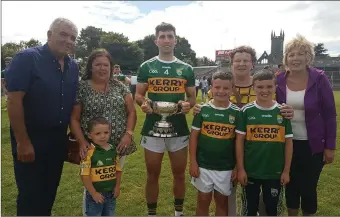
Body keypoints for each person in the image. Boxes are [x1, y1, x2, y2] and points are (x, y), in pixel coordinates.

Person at [193, 45, 294, 216]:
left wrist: (288, 111)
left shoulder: (262, 83)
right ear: (231, 64)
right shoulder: (223, 83)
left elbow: (278, 108)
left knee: (263, 201)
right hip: (226, 150)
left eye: (246, 60)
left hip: (257, 151)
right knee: (227, 197)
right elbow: (212, 108)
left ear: (252, 64)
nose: (241, 64)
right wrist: (198, 108)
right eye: (237, 61)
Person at [4, 17, 79, 216]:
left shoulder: (73, 66)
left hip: (57, 139)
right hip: (31, 137)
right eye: (63, 34)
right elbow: (14, 100)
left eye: (73, 37)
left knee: (49, 190)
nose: (69, 40)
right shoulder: (28, 58)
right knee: (30, 194)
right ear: (49, 35)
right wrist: (23, 141)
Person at [135, 22, 196, 216]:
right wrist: (143, 104)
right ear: (156, 41)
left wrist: (188, 105)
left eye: (170, 36)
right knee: (152, 174)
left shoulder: (186, 68)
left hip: (178, 128)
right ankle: (151, 214)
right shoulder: (147, 66)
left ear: (175, 40)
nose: (166, 40)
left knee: (179, 174)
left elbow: (192, 98)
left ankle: (178, 214)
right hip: (153, 127)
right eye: (162, 36)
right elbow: (138, 95)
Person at [276, 35, 337, 216]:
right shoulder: (278, 80)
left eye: (300, 54)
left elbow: (330, 115)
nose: (295, 58)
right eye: (291, 54)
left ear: (308, 57)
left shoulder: (319, 79)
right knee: (290, 184)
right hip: (286, 142)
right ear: (286, 58)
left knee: (309, 186)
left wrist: (330, 147)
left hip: (313, 144)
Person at [236, 69, 293, 216]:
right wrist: (241, 169)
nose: (265, 90)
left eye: (269, 86)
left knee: (272, 210)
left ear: (275, 87)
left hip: (275, 172)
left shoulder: (283, 112)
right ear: (253, 88)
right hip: (251, 171)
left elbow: (288, 143)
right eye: (260, 87)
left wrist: (286, 171)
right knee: (249, 209)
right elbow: (240, 142)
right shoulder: (246, 111)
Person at [70, 48, 136, 170]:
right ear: (90, 67)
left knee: (114, 181)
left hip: (118, 146)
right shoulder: (82, 88)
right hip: (91, 148)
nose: (102, 68)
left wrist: (128, 134)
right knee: (92, 183)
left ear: (110, 67)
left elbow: (131, 112)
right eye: (98, 64)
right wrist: (81, 142)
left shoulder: (120, 87)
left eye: (106, 65)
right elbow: (74, 119)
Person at [189, 71, 238, 216]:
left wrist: (236, 166)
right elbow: (194, 138)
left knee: (222, 203)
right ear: (211, 87)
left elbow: (239, 143)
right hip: (203, 165)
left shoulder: (237, 113)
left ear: (232, 89)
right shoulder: (202, 110)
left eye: (225, 88)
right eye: (217, 87)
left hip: (225, 167)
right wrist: (193, 162)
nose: (221, 91)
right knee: (202, 201)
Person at [81, 117, 122, 216]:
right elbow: (84, 175)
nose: (102, 136)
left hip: (111, 193)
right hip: (95, 194)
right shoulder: (88, 152)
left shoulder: (113, 149)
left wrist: (117, 187)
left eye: (106, 132)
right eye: (98, 134)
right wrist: (93, 193)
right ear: (90, 135)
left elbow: (118, 170)